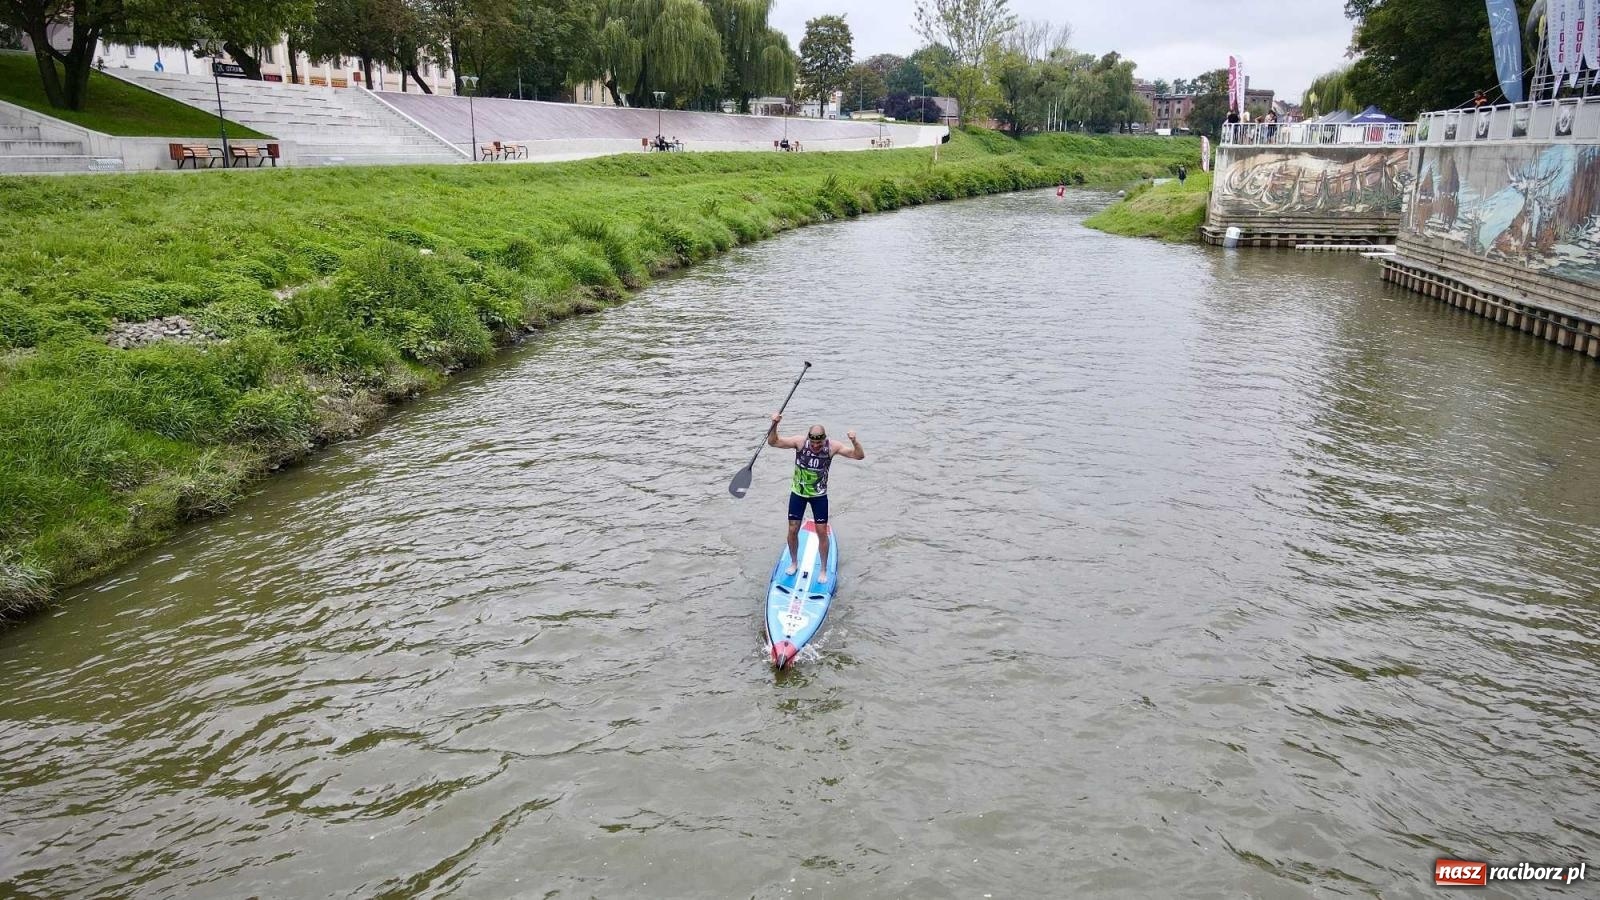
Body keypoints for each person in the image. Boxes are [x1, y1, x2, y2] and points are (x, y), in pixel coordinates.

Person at [767, 415, 865, 584]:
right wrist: (774, 424)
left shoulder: (832, 447)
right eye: (813, 443)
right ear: (809, 439)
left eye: (819, 443)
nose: (816, 446)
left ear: (824, 439)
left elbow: (859, 456)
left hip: (819, 496)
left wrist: (855, 441)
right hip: (798, 493)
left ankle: (824, 569)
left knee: (821, 532)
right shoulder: (799, 442)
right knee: (792, 530)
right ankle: (794, 563)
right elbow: (773, 442)